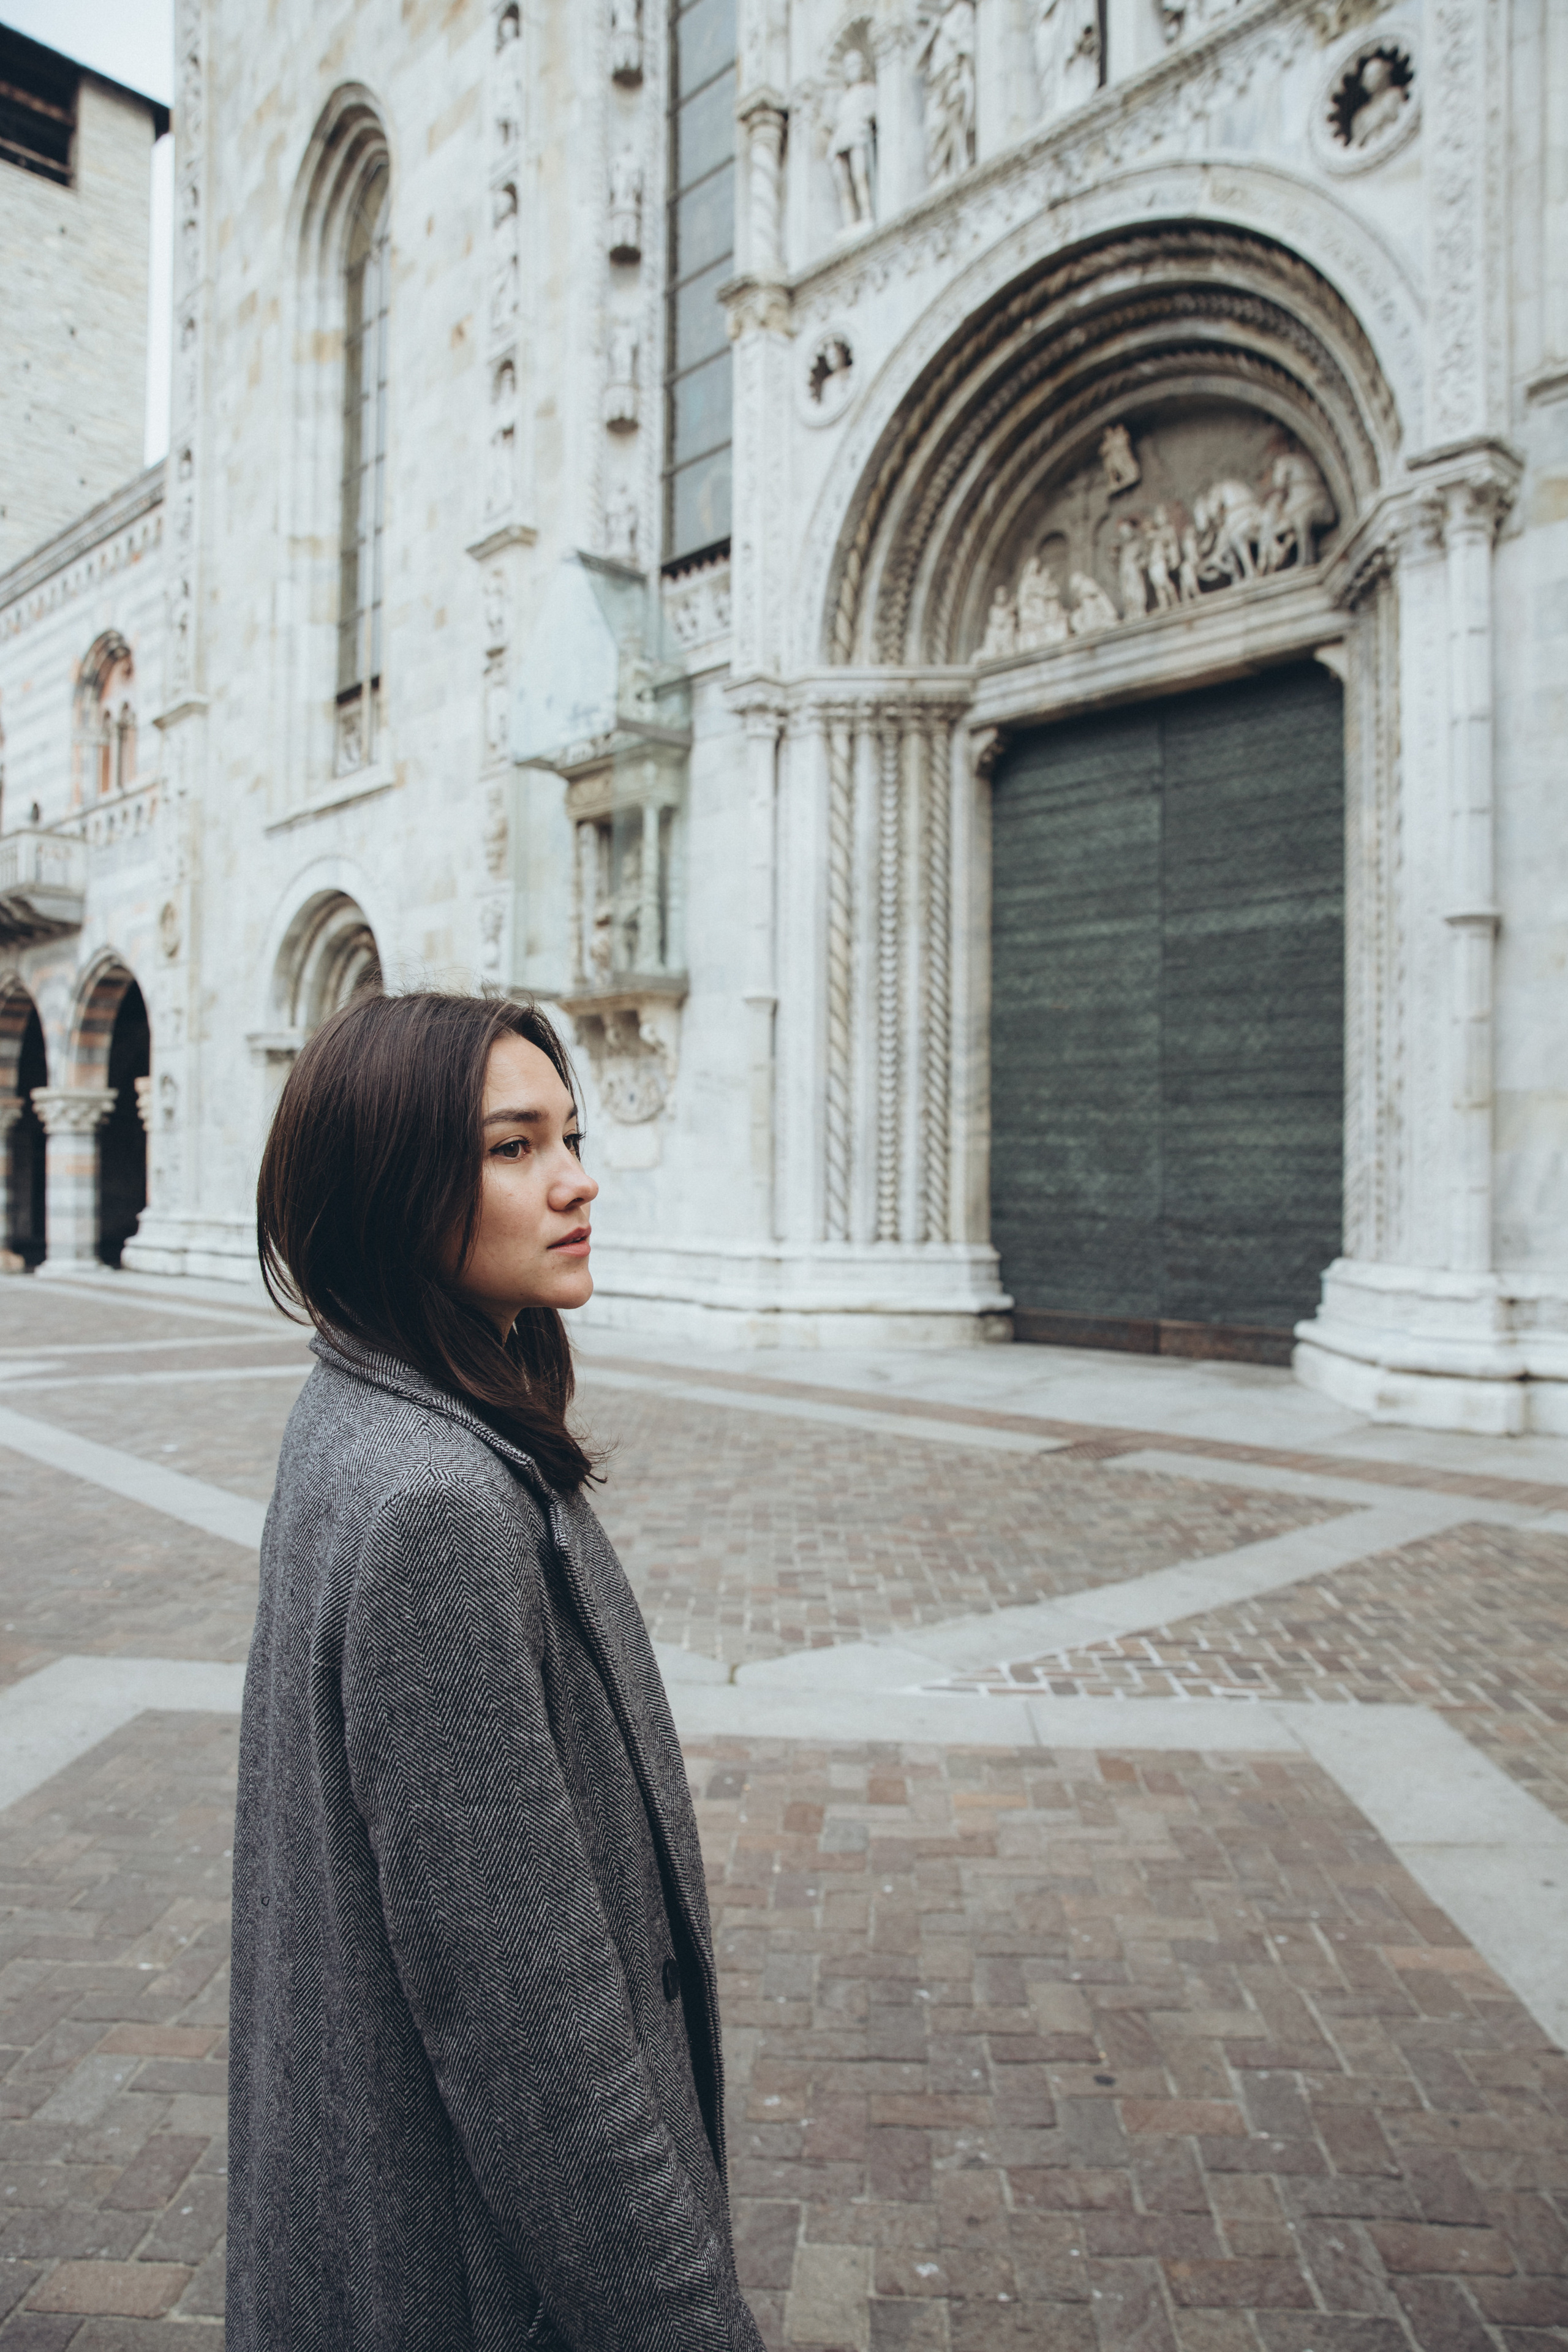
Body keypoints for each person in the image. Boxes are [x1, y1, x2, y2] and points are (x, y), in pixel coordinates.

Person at [229, 989, 764, 2352]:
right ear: (392, 1185)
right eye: (514, 1147)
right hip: (477, 2279)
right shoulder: (437, 1504)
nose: (579, 1181)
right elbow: (530, 2031)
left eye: (569, 1135)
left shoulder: (355, 1408)